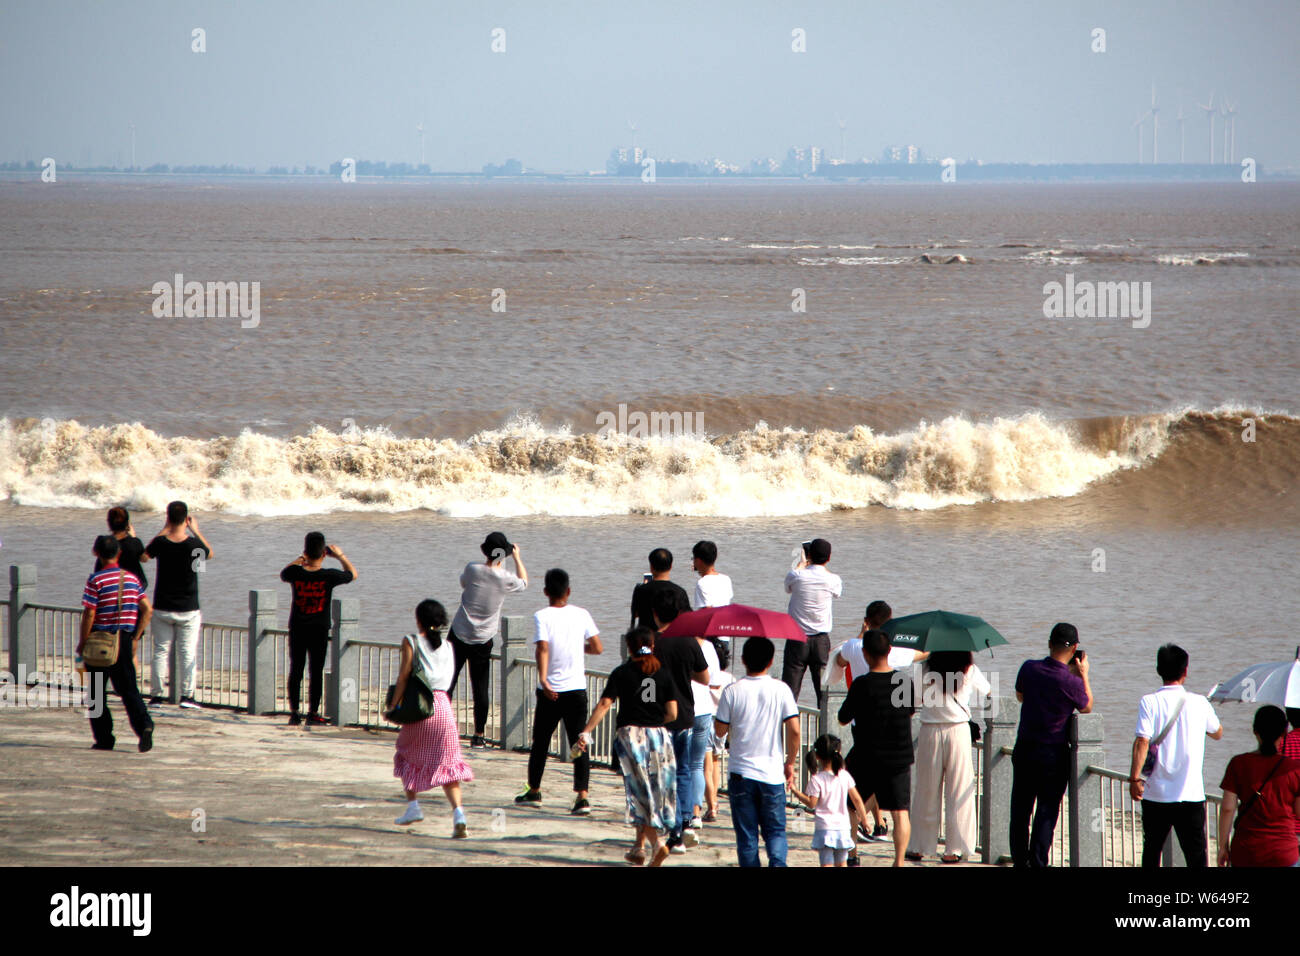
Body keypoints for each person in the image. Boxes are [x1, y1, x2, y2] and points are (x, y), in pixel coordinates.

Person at [575, 626, 679, 866]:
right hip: (659, 738)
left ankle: (657, 845)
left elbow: (604, 704)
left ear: (629, 648)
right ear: (653, 646)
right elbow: (672, 713)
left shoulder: (622, 672)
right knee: (652, 790)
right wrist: (655, 722)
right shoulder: (664, 673)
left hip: (631, 737)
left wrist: (587, 731)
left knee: (639, 792)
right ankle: (638, 847)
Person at [832, 599, 923, 848]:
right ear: (889, 650)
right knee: (900, 811)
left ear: (866, 653)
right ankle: (899, 861)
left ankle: (851, 855)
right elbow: (910, 713)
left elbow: (842, 718)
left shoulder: (861, 684)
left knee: (851, 803)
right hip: (899, 755)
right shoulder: (903, 681)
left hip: (867, 753)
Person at [1128, 644, 1223, 868]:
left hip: (1156, 794)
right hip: (1190, 794)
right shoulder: (1200, 702)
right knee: (1196, 855)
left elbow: (1142, 741)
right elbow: (1218, 732)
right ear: (1185, 671)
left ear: (1158, 669)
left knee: (1151, 851)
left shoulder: (1149, 701)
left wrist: (1134, 779)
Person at [384, 600, 473, 837]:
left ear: (419, 619)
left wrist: (393, 705)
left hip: (420, 706)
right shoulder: (448, 646)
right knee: (448, 763)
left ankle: (413, 806)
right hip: (444, 707)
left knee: (405, 752)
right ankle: (459, 814)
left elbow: (403, 676)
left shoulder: (410, 640)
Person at [516, 569, 601, 813]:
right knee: (579, 741)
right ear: (569, 591)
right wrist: (577, 647)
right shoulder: (581, 614)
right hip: (577, 689)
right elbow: (597, 647)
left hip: (550, 691)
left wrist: (544, 680)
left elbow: (542, 648)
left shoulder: (541, 615)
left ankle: (534, 791)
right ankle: (582, 797)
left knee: (541, 742)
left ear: (545, 592)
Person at [1009, 622, 1093, 868]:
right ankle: (1037, 862)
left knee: (1020, 811)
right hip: (1053, 755)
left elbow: (1020, 695)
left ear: (1049, 644)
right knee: (1046, 813)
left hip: (1025, 748)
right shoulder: (1071, 682)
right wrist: (1084, 674)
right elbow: (1087, 706)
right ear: (1075, 648)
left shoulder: (1029, 668)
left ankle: (1018, 862)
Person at [714, 636, 800, 867]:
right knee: (775, 831)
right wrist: (790, 762)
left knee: (747, 836)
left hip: (741, 774)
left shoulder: (732, 690)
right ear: (771, 661)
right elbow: (794, 730)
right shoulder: (781, 689)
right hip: (772, 774)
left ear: (742, 660)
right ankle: (778, 863)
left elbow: (719, 731)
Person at [906, 650, 991, 863]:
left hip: (930, 731)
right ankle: (954, 848)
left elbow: (914, 700)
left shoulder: (923, 668)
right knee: (959, 791)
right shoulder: (969, 669)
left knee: (925, 790)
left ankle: (919, 845)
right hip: (959, 731)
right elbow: (988, 692)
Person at [449, 531, 528, 747]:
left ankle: (438, 727)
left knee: (448, 681)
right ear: (504, 555)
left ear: (485, 551)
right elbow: (524, 583)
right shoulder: (505, 579)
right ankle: (478, 735)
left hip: (458, 633)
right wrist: (517, 557)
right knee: (480, 688)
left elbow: (464, 584)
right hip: (483, 639)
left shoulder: (473, 568)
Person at [77, 535, 154, 752]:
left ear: (96, 553)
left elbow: (90, 613)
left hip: (100, 641)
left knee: (96, 693)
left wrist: (83, 641)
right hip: (124, 640)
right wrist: (136, 636)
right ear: (119, 553)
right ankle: (145, 726)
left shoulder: (96, 580)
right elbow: (147, 610)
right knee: (129, 690)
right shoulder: (132, 579)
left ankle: (104, 739)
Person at [649, 589, 709, 854]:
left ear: (654, 614)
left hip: (656, 717)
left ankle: (671, 830)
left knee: (661, 774)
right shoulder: (688, 642)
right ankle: (686, 824)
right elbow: (705, 678)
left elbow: (642, 677)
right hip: (685, 714)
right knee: (683, 770)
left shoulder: (650, 643)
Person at [280, 532, 358, 726]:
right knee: (316, 671)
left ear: (306, 551)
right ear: (324, 554)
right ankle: (313, 712)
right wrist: (340, 556)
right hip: (319, 630)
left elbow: (284, 573)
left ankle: (295, 712)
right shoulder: (328, 576)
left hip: (297, 627)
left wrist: (301, 558)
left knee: (296, 669)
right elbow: (352, 575)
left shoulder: (296, 573)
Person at [145, 501, 213, 709]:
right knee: (187, 653)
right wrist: (197, 531)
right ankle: (187, 696)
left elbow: (145, 555)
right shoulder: (193, 545)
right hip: (188, 607)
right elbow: (207, 557)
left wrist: (164, 529)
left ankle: (157, 696)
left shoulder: (161, 543)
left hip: (163, 605)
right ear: (186, 519)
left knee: (160, 651)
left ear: (168, 517)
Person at [1217, 705, 1300, 867]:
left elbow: (1227, 808)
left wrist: (1223, 847)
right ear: (1284, 732)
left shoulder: (1238, 764)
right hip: (1283, 851)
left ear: (1255, 731)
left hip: (1246, 849)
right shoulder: (1293, 769)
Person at [789, 734, 868, 867]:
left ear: (817, 756)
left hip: (825, 828)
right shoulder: (844, 775)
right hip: (843, 828)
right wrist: (865, 820)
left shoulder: (816, 779)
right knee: (842, 863)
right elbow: (857, 799)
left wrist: (796, 792)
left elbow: (811, 803)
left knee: (826, 864)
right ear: (838, 753)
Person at [781, 538, 842, 707]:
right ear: (829, 558)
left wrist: (802, 564)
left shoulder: (796, 575)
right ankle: (825, 730)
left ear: (809, 555)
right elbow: (837, 593)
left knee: (789, 692)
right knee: (823, 693)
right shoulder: (833, 579)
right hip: (821, 641)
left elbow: (787, 587)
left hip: (796, 639)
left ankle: (786, 731)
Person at [703, 637, 734, 822]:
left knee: (706, 766)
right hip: (723, 723)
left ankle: (711, 806)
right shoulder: (730, 678)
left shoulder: (705, 677)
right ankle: (714, 801)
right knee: (715, 763)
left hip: (708, 718)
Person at [629, 547, 691, 632]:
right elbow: (686, 617)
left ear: (651, 566)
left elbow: (635, 614)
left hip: (646, 639)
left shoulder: (641, 590)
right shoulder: (680, 591)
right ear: (671, 566)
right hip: (671, 638)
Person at [97, 507, 148, 591]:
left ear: (109, 523)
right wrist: (133, 537)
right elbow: (144, 559)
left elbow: (95, 552)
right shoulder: (134, 543)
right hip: (131, 588)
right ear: (127, 523)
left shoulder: (102, 541)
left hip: (107, 587)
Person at [690, 540, 733, 609]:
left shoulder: (702, 583)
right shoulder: (726, 579)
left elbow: (705, 610)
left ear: (698, 561)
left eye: (693, 559)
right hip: (725, 617)